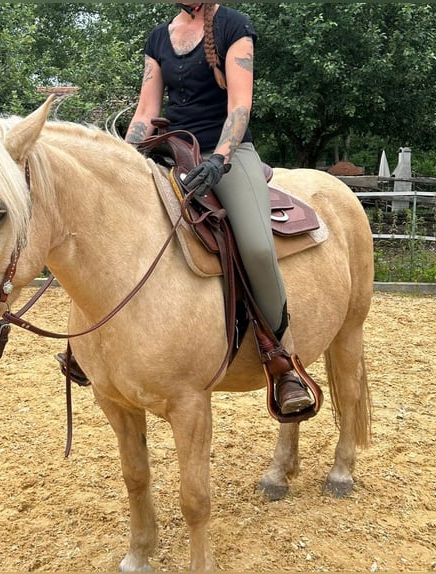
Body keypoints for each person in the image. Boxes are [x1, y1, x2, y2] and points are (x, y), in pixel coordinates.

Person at [123, 2, 313, 415]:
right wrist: (124, 158)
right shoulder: (159, 37)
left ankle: (283, 360)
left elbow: (240, 107)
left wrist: (220, 157)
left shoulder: (233, 25)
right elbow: (146, 111)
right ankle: (87, 346)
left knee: (258, 248)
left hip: (225, 153)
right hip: (170, 150)